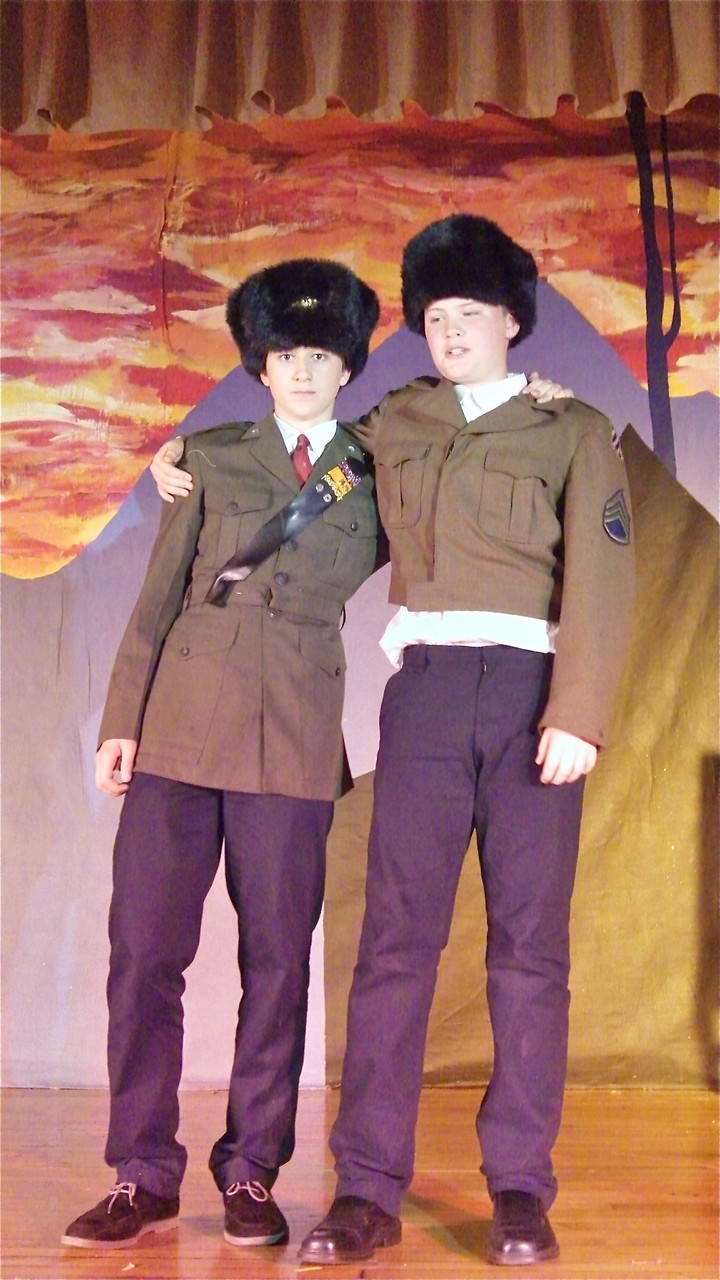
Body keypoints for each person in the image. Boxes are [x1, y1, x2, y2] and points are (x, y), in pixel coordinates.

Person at [148, 217, 624, 1268]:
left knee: (528, 950)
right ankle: (366, 1187)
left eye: (470, 315)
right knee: (394, 944)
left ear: (511, 322)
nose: (451, 332)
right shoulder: (395, 422)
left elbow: (603, 577)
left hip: (536, 697)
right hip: (426, 697)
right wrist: (178, 457)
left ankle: (518, 1188)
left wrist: (580, 713)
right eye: (436, 317)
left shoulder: (573, 430)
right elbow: (296, 451)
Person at [61, 258, 382, 1252]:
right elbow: (157, 601)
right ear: (262, 363)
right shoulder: (205, 454)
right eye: (285, 355)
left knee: (279, 963)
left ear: (345, 367)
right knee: (145, 953)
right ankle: (141, 1170)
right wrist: (123, 719)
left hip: (290, 742)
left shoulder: (375, 468)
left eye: (321, 356)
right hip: (180, 730)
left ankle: (251, 1168)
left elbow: (454, 418)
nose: (302, 372)